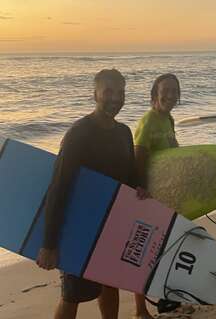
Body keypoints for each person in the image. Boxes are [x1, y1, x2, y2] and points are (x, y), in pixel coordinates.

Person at [37, 69, 147, 319]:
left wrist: (139, 187)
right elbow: (58, 186)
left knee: (110, 282)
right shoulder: (79, 133)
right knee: (72, 294)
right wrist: (49, 244)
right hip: (79, 226)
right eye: (108, 91)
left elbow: (128, 175)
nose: (115, 98)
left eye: (120, 92)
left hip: (112, 222)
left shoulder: (124, 132)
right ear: (94, 94)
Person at [133, 73, 185, 319]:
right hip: (150, 197)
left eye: (175, 90)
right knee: (146, 253)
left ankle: (166, 299)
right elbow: (138, 155)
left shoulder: (169, 120)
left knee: (165, 249)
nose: (171, 95)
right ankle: (140, 309)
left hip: (167, 195)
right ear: (155, 92)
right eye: (166, 90)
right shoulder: (149, 120)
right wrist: (142, 188)